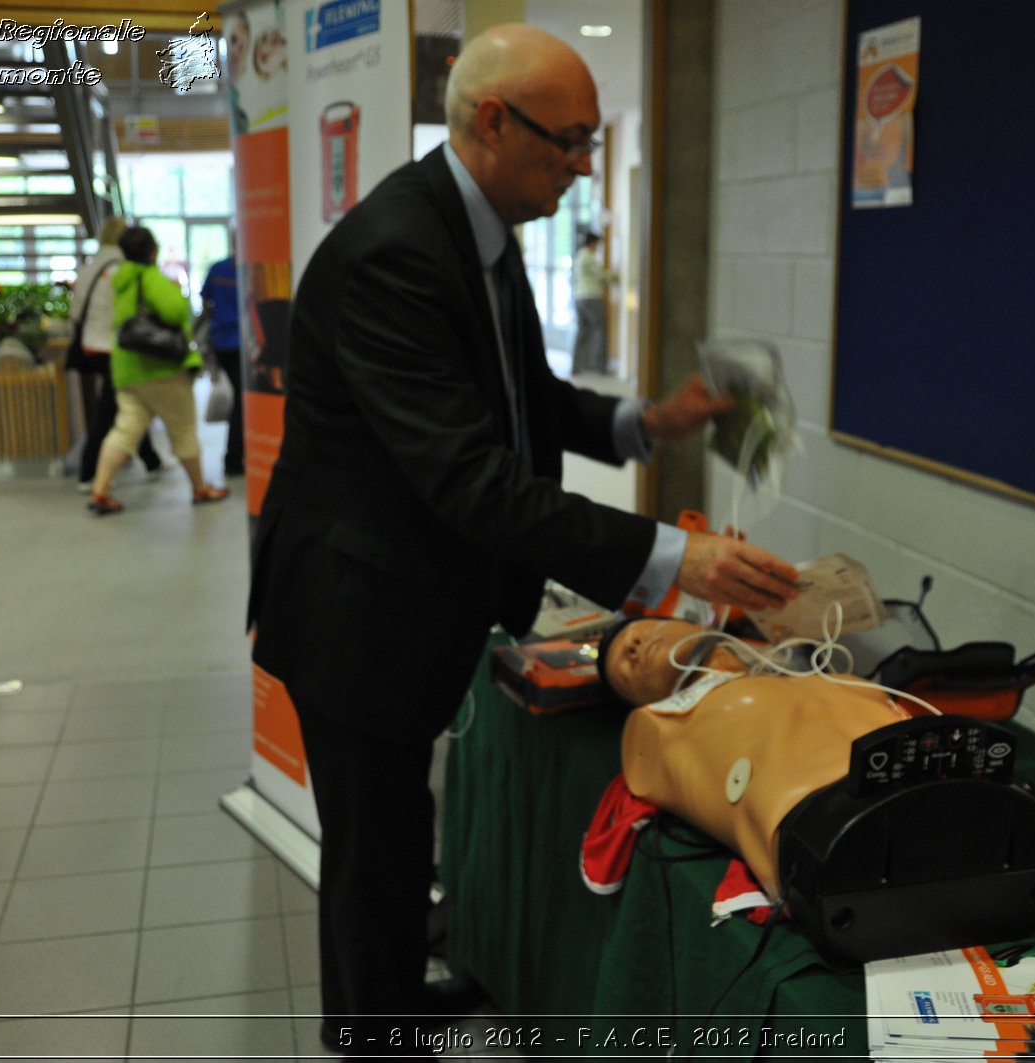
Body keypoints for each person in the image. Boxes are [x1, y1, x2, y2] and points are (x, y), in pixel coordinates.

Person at [245, 23, 800, 1047]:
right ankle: (370, 1032)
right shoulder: (394, 255)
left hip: (408, 599)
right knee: (374, 847)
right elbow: (469, 476)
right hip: (354, 610)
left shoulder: (482, 237)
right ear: (492, 122)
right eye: (572, 141)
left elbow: (517, 397)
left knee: (400, 836)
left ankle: (394, 998)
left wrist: (644, 421)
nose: (585, 166)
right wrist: (677, 559)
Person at [599, 616, 912, 898]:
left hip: (926, 788)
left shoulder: (839, 681)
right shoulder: (655, 728)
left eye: (642, 630)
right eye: (624, 673)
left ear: (696, 623)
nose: (634, 646)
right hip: (822, 832)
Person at [87, 226, 228, 514]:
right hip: (160, 368)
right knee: (184, 428)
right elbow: (177, 310)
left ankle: (100, 490)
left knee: (125, 430)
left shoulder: (119, 280)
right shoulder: (150, 278)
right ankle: (200, 488)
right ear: (153, 251)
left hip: (127, 368)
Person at [69, 216, 163, 491]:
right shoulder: (123, 268)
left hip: (91, 346)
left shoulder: (90, 266)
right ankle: (89, 472)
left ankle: (151, 459)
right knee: (110, 408)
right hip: (114, 346)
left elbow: (76, 311)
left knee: (128, 401)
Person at [199, 254, 244, 476]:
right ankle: (233, 459)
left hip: (221, 341)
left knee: (240, 398)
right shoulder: (249, 268)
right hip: (241, 343)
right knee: (243, 402)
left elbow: (205, 302)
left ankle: (235, 457)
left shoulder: (217, 268)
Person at [570, 229, 615, 374]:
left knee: (583, 330)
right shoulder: (589, 257)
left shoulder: (578, 256)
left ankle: (576, 366)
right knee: (599, 330)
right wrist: (615, 276)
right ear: (592, 243)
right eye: (597, 244)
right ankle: (599, 367)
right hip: (592, 296)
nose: (597, 247)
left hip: (579, 297)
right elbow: (602, 276)